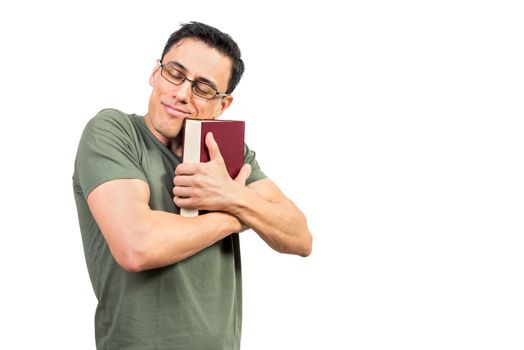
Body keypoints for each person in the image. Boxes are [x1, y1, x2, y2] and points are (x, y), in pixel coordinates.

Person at [73, 21, 312, 349]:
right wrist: (237, 210)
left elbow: (300, 237)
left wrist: (231, 195)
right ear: (155, 73)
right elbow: (137, 247)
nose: (182, 94)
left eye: (203, 88)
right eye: (175, 73)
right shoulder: (113, 131)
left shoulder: (225, 154)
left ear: (223, 105)